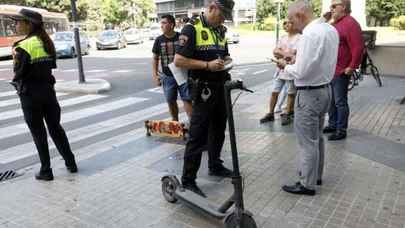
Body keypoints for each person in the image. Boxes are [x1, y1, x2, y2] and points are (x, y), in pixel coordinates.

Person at [275, 1, 339, 195]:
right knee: (317, 137)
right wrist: (295, 60)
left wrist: (284, 66)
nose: (292, 24)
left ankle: (306, 184)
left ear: (300, 16)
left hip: (310, 93)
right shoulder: (329, 29)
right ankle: (315, 176)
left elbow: (301, 72)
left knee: (307, 141)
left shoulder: (309, 34)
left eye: (292, 19)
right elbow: (316, 61)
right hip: (325, 89)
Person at [174, 0, 235, 197]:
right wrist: (207, 65)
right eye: (222, 14)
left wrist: (225, 62)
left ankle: (215, 165)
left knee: (218, 129)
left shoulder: (220, 30)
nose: (223, 19)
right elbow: (179, 60)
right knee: (197, 134)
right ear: (212, 8)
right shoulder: (192, 28)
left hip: (220, 87)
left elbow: (225, 55)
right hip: (203, 89)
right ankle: (188, 179)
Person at [10, 8, 77, 181]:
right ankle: (71, 163)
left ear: (28, 24)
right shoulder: (47, 42)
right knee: (56, 128)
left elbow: (18, 74)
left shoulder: (23, 46)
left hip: (30, 95)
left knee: (38, 133)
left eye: (19, 22)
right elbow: (50, 67)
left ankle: (46, 171)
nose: (16, 25)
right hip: (48, 93)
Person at [323, 0, 364, 141]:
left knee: (340, 101)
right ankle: (333, 124)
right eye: (331, 6)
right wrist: (325, 19)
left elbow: (358, 47)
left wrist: (352, 67)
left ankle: (341, 130)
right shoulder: (335, 23)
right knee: (332, 100)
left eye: (334, 6)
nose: (331, 9)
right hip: (331, 70)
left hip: (341, 71)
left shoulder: (351, 23)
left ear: (344, 7)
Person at [152, 15, 193, 121]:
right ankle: (175, 122)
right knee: (170, 100)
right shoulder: (158, 40)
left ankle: (193, 124)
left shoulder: (181, 37)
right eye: (161, 23)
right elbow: (155, 58)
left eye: (164, 23)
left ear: (171, 25)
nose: (162, 25)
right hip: (168, 76)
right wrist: (155, 75)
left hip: (182, 74)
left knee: (187, 99)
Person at [260, 20, 300, 126]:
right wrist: (285, 55)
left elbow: (292, 55)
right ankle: (270, 113)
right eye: (284, 23)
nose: (286, 25)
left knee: (291, 93)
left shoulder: (299, 38)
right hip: (280, 70)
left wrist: (282, 54)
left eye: (289, 23)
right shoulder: (283, 38)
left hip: (291, 70)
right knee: (274, 91)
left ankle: (287, 113)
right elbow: (275, 51)